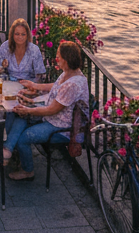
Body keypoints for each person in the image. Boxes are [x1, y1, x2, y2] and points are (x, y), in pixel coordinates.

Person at [6, 40, 89, 181]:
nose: (56, 59)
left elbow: (51, 110)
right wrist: (35, 86)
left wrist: (28, 110)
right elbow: (55, 87)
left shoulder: (73, 85)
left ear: (66, 60)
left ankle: (27, 170)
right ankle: (8, 149)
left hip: (62, 128)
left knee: (24, 138)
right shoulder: (69, 73)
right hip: (53, 118)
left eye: (58, 57)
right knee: (15, 115)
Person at [0, 19, 46, 163]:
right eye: (16, 34)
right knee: (12, 109)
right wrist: (2, 67)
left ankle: (7, 147)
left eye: (23, 34)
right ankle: (9, 147)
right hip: (9, 85)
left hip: (28, 88)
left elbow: (40, 75)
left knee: (15, 111)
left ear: (27, 35)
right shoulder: (5, 47)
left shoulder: (34, 50)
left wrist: (31, 87)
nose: (19, 37)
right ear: (12, 35)